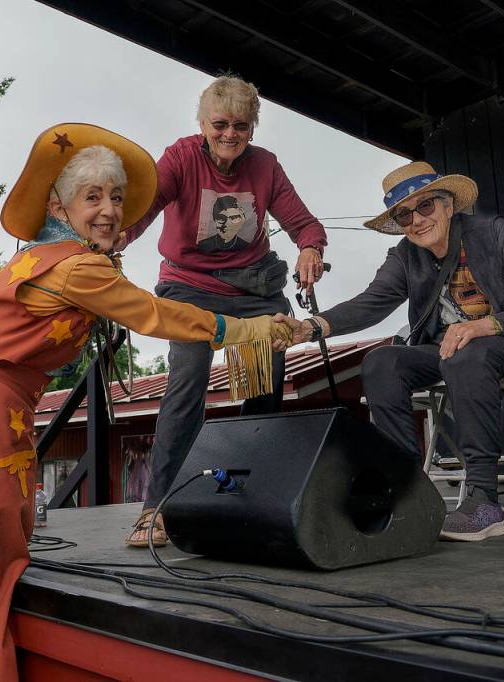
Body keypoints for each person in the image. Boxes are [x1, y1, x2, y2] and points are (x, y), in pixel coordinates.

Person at [0, 124, 291, 682]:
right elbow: (157, 315)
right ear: (59, 206)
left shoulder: (45, 259)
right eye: (92, 197)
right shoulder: (77, 268)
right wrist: (250, 328)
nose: (110, 210)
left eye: (117, 198)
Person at [275, 161, 504, 542]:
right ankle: (406, 491)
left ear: (449, 205)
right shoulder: (405, 255)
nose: (416, 220)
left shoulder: (493, 232)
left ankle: (484, 502)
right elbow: (371, 303)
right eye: (404, 214)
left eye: (425, 206)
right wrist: (312, 326)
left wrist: (480, 326)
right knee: (382, 362)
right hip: (451, 351)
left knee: (467, 353)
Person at [120, 74, 328, 547]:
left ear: (252, 128)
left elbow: (304, 223)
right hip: (188, 286)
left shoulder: (265, 166)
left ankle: (251, 497)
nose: (229, 134)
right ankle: (157, 506)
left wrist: (309, 248)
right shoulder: (180, 157)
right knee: (188, 374)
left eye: (240, 125)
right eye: (220, 124)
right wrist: (117, 237)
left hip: (254, 289)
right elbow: (146, 205)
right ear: (202, 124)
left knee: (265, 376)